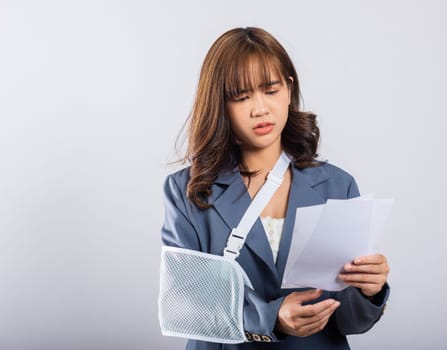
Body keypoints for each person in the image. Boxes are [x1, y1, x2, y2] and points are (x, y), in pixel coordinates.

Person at [161, 27, 390, 350]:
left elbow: (348, 321)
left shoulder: (338, 185)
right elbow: (188, 306)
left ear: (288, 89)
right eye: (241, 97)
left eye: (271, 90)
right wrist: (271, 318)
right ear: (220, 104)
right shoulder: (187, 191)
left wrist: (370, 290)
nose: (260, 109)